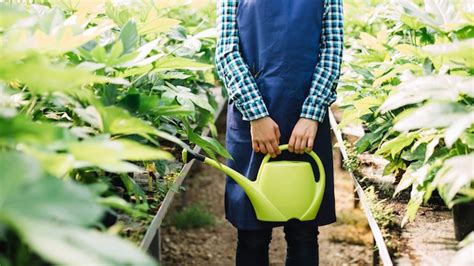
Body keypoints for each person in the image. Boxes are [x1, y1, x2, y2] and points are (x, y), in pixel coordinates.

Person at [215, 0, 344, 265]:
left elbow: (331, 50)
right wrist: (257, 115)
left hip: (305, 116)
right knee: (252, 233)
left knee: (303, 230)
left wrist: (311, 113)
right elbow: (227, 52)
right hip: (251, 120)